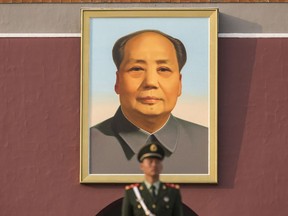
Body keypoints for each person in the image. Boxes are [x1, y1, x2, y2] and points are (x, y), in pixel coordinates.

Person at [90, 29, 208, 174]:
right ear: (118, 81)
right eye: (137, 68)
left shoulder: (208, 143)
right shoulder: (88, 144)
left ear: (179, 83)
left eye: (163, 69)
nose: (151, 82)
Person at [122, 143, 183, 216]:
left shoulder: (172, 192)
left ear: (161, 166)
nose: (154, 165)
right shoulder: (132, 192)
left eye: (157, 162)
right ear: (142, 166)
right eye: (150, 162)